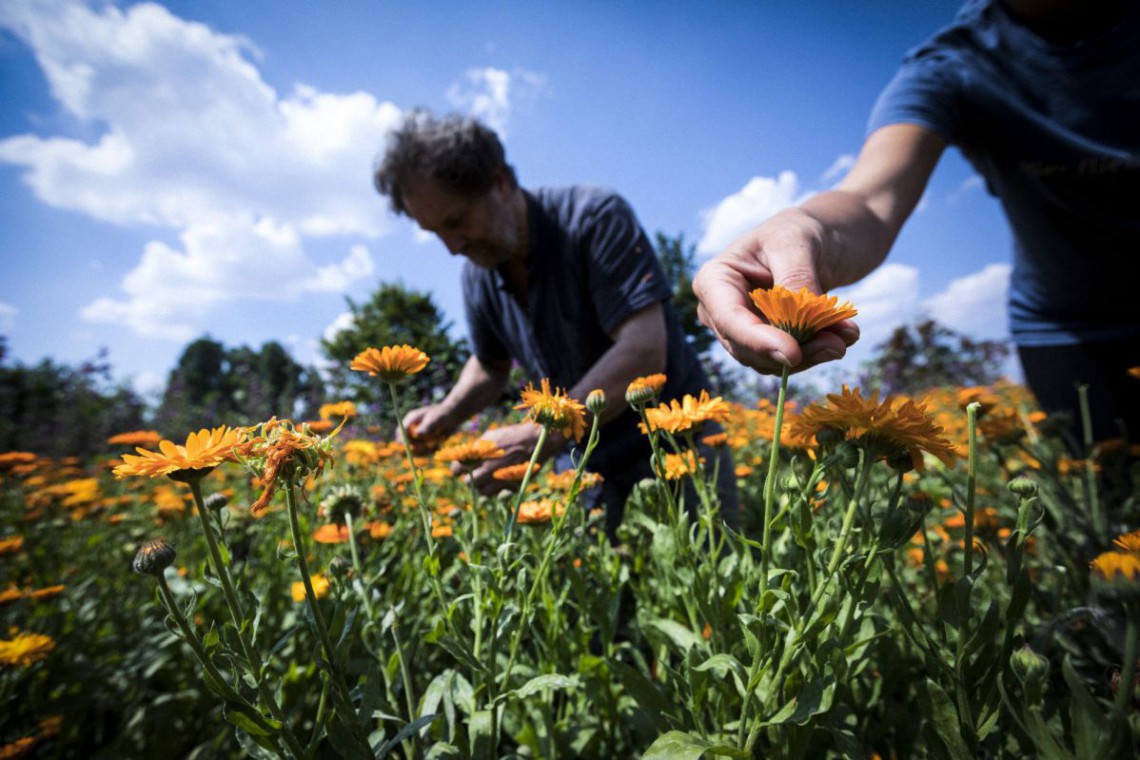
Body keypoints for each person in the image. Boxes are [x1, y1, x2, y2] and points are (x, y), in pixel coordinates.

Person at [692, 0, 1140, 453]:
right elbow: (870, 199)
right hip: (1067, 329)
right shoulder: (951, 67)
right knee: (1107, 489)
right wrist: (801, 228)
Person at [373, 109, 737, 536]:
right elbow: (491, 365)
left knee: (708, 586)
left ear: (501, 181)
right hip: (583, 465)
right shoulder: (477, 272)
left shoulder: (594, 218)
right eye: (434, 232)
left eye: (455, 221)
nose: (452, 247)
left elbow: (643, 350)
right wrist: (444, 415)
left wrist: (538, 435)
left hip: (678, 447)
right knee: (597, 600)